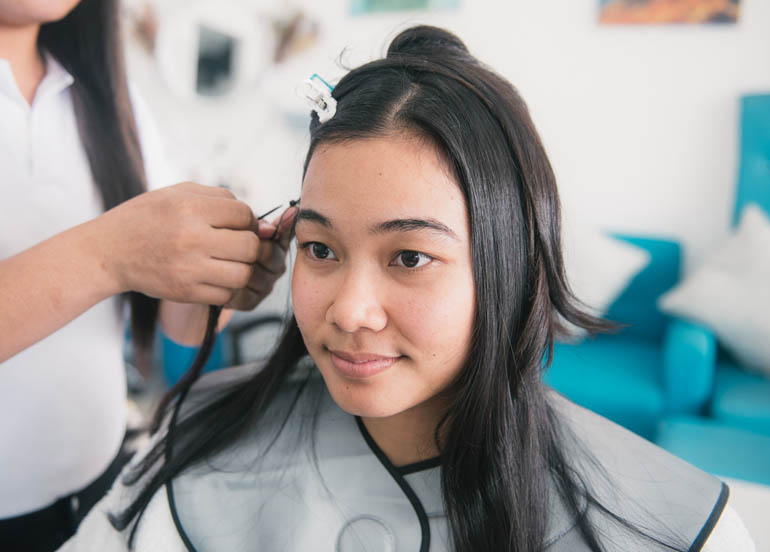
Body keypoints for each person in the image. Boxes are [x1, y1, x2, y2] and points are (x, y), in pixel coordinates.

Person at [60, 25, 754, 551]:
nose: (350, 311)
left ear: (508, 262)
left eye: (411, 258)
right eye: (322, 249)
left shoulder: (671, 524)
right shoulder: (193, 450)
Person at [0, 0, 294, 549]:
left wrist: (222, 278)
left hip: (100, 493)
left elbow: (174, 321)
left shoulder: (112, 100)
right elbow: (120, 256)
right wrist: (109, 254)